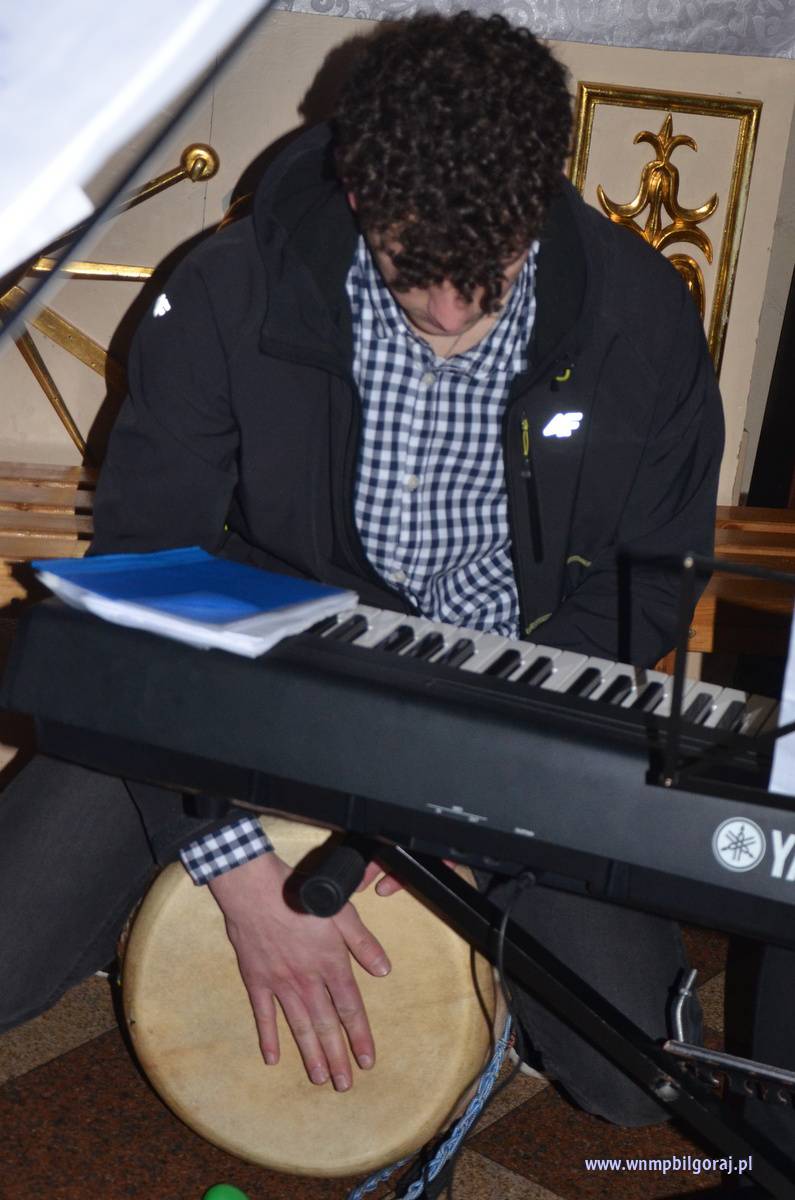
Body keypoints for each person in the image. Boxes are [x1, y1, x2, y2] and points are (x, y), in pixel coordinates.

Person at [1, 12, 724, 1130]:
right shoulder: (230, 290)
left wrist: (485, 799)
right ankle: (165, 885)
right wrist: (229, 864)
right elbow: (146, 579)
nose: (448, 315)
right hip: (250, 682)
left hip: (502, 698)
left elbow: (648, 582)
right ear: (357, 193)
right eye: (411, 271)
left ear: (539, 201)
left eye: (487, 276)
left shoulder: (643, 319)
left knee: (640, 1090)